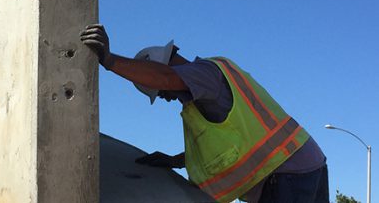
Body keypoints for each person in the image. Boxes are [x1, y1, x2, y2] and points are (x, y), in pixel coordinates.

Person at [80, 24, 329, 203]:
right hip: (303, 165)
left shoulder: (205, 72)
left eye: (162, 92)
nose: (167, 98)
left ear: (162, 66)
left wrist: (111, 61)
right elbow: (232, 146)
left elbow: (167, 78)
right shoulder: (206, 90)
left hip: (285, 174)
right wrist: (177, 161)